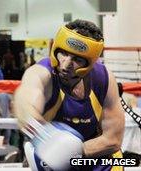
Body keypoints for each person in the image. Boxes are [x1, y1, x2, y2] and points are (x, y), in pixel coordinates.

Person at [14, 19, 124, 170]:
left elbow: (113, 139)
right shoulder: (41, 73)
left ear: (90, 62)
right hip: (51, 162)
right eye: (63, 53)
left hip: (99, 161)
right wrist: (45, 138)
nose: (65, 64)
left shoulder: (104, 78)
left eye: (77, 59)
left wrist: (73, 152)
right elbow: (24, 107)